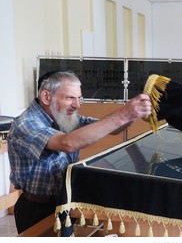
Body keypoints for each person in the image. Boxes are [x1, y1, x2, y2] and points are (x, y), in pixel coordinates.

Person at [7, 71, 152, 234]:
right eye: (70, 98)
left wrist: (133, 115)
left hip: (66, 202)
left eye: (79, 98)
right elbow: (67, 143)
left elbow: (111, 128)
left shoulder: (62, 117)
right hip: (38, 209)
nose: (77, 105)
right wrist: (124, 113)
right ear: (47, 97)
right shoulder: (26, 123)